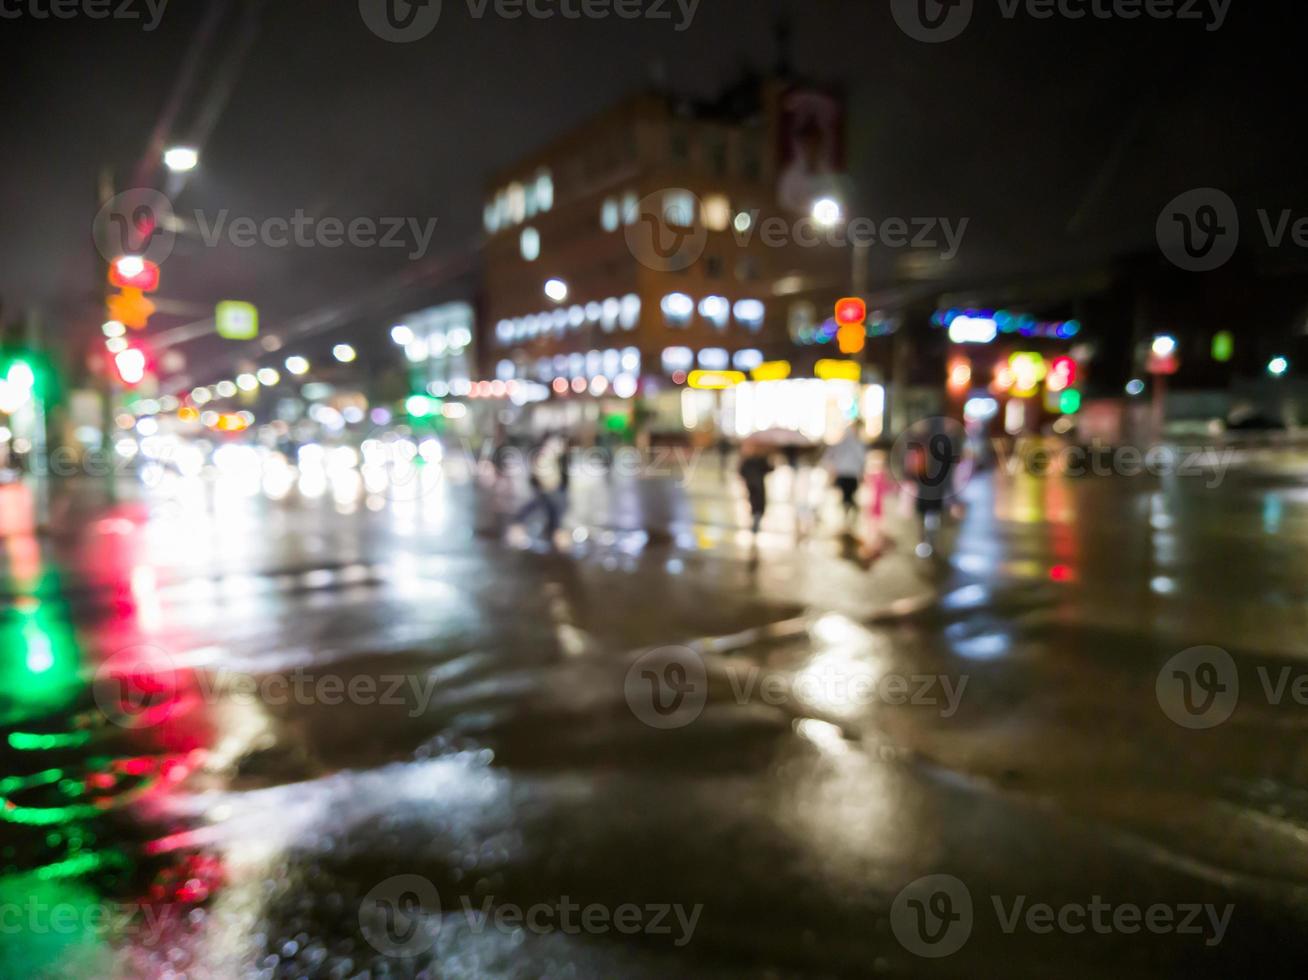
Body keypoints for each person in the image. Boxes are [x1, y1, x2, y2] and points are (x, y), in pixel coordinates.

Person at [514, 434, 569, 541]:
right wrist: (549, 485)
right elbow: (540, 474)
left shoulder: (554, 458)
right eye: (558, 445)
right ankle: (555, 534)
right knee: (551, 512)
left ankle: (552, 533)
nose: (560, 448)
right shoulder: (544, 457)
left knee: (551, 513)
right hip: (549, 491)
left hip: (552, 490)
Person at [822, 427, 866, 525]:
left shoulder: (840, 445)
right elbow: (862, 459)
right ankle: (850, 511)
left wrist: (832, 467)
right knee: (848, 495)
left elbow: (826, 458)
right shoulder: (857, 445)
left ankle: (848, 511)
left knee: (846, 495)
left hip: (843, 475)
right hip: (851, 475)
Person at [738, 446, 773, 534]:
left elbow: (741, 471)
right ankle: (756, 518)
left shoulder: (748, 460)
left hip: (751, 484)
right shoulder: (761, 459)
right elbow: (770, 469)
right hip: (758, 485)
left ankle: (755, 518)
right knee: (759, 501)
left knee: (753, 501)